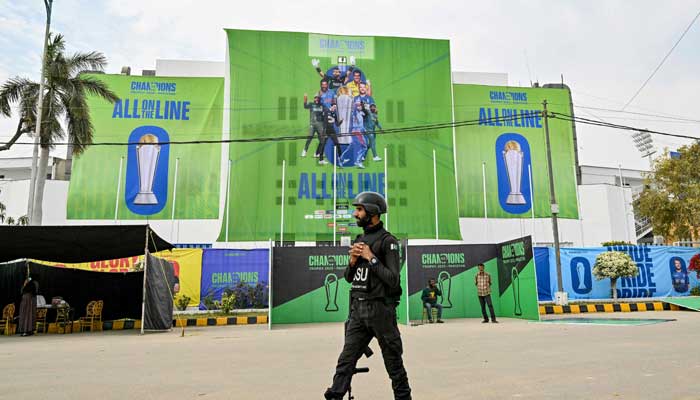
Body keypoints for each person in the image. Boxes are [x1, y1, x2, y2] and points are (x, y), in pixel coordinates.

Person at [324, 191, 411, 400]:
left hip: (380, 310)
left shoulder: (388, 241)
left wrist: (371, 258)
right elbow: (348, 277)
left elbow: (393, 280)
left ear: (372, 212)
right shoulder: (360, 239)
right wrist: (353, 262)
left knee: (394, 364)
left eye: (359, 209)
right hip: (358, 311)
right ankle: (335, 396)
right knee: (345, 362)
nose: (355, 214)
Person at [302, 94, 325, 158]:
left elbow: (325, 113)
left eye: (318, 98)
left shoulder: (322, 105)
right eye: (315, 98)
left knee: (322, 140)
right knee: (309, 138)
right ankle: (304, 151)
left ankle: (317, 153)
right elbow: (305, 106)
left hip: (320, 125)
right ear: (314, 99)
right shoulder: (311, 104)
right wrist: (305, 99)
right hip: (312, 124)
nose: (316, 99)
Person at [349, 101, 368, 169]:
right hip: (357, 132)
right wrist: (356, 104)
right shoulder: (355, 113)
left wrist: (364, 129)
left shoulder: (360, 113)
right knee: (364, 147)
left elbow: (361, 124)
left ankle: (356, 160)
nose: (360, 107)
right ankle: (358, 161)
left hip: (357, 132)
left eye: (361, 106)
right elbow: (354, 109)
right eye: (359, 106)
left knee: (360, 147)